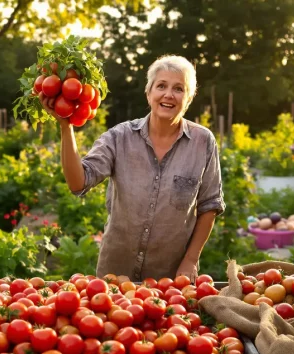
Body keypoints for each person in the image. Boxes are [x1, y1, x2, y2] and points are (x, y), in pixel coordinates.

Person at [39, 55, 225, 282]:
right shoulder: (119, 137)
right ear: (149, 93)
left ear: (188, 99)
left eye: (179, 88)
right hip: (115, 274)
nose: (168, 94)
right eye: (161, 86)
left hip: (170, 278)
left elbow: (210, 205)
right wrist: (66, 127)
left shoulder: (203, 142)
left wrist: (191, 260)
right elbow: (78, 183)